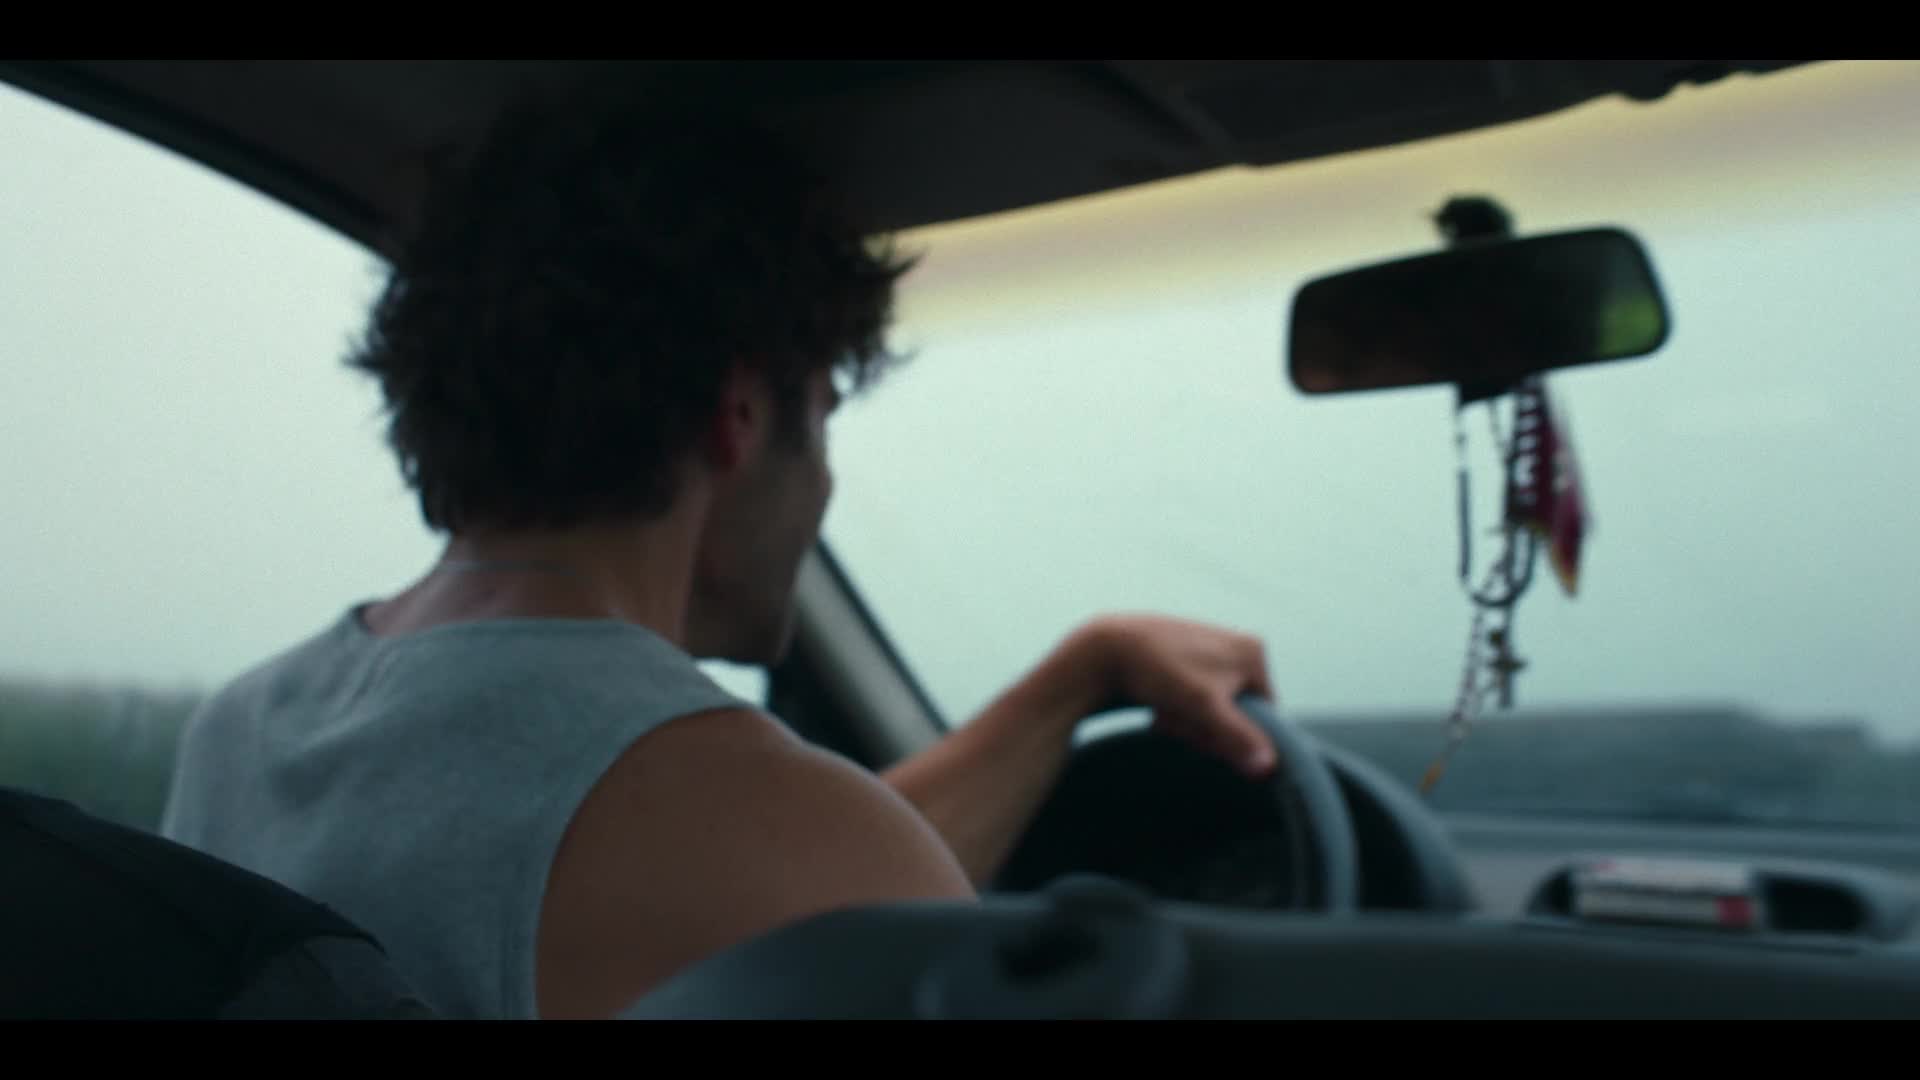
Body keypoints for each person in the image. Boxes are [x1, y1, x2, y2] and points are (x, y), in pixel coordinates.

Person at [158, 77, 1281, 1020]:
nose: (825, 480)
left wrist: (1074, 681)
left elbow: (720, 854)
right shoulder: (752, 825)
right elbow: (772, 853)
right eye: (824, 414)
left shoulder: (240, 735)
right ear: (739, 415)